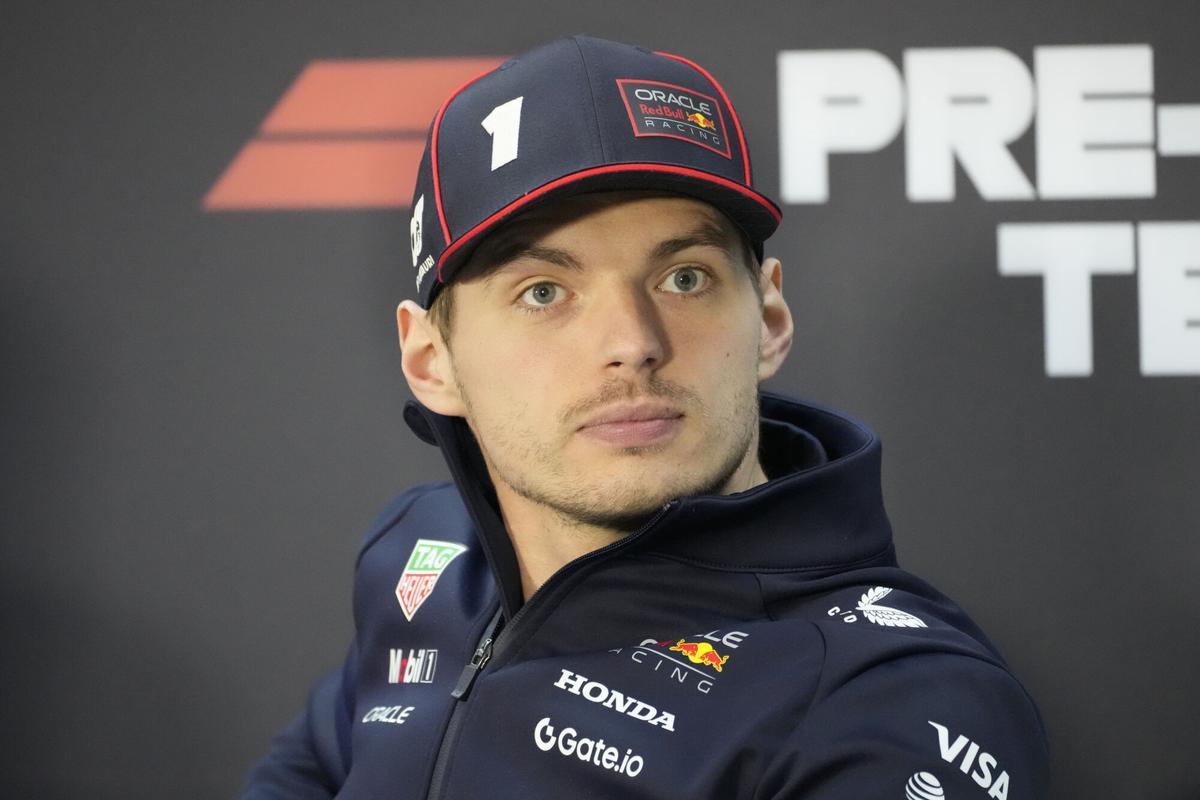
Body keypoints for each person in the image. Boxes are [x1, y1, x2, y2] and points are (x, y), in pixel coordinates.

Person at [241, 34, 1048, 799]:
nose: (633, 343)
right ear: (431, 362)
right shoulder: (423, 554)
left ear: (767, 318)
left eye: (685, 278)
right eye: (544, 292)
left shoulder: (889, 700)